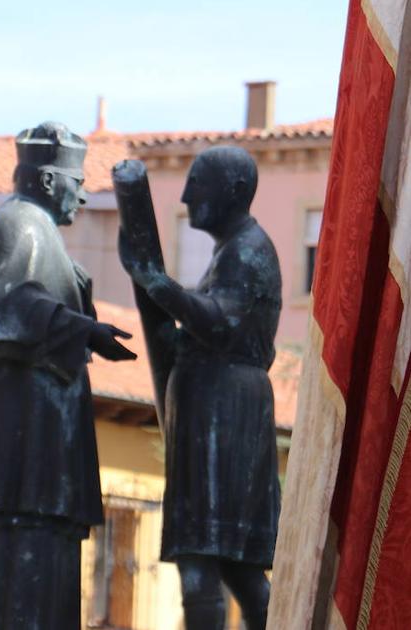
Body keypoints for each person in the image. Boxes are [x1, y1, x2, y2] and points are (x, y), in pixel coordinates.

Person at [0, 121, 135, 630]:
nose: (84, 196)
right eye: (78, 182)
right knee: (18, 562)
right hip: (20, 446)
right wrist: (85, 331)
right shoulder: (19, 225)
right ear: (48, 181)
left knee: (40, 557)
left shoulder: (36, 229)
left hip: (41, 438)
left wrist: (82, 327)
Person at [118, 146, 281, 630]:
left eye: (198, 184)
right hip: (217, 406)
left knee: (202, 554)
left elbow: (219, 322)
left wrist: (156, 283)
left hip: (224, 411)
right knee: (233, 562)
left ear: (232, 193)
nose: (187, 196)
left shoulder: (249, 250)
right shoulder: (232, 250)